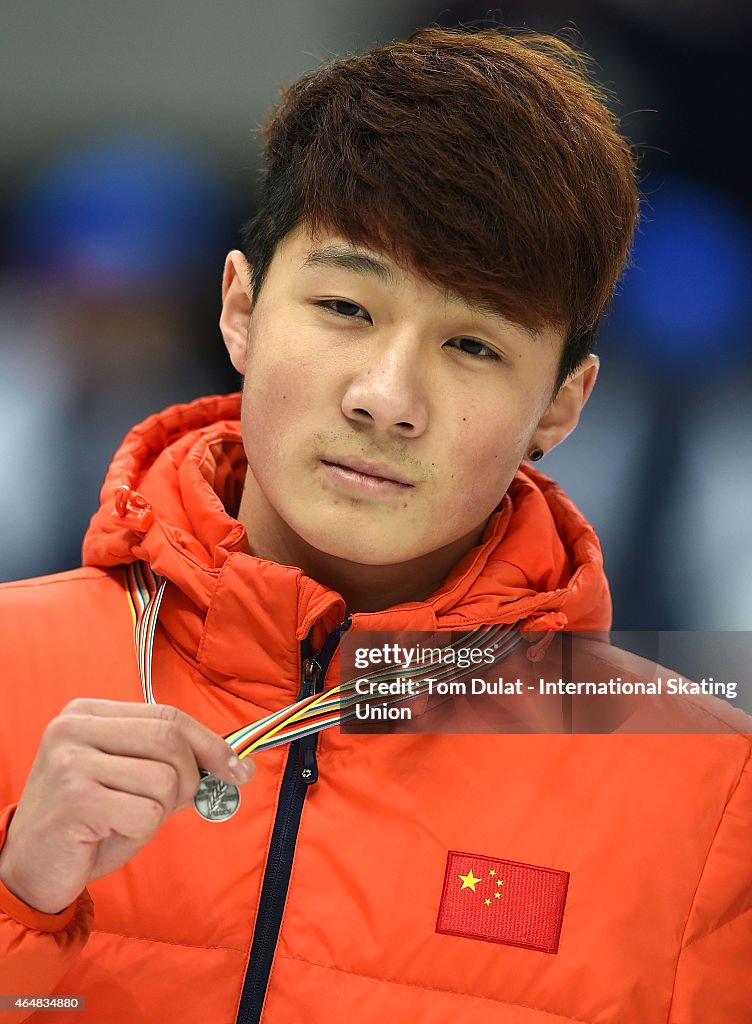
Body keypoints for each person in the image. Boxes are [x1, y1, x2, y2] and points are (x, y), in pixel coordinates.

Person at [0, 26, 749, 1024]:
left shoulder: (706, 794)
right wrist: (17, 904)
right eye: (347, 307)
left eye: (473, 344)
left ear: (561, 406)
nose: (387, 397)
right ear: (239, 307)